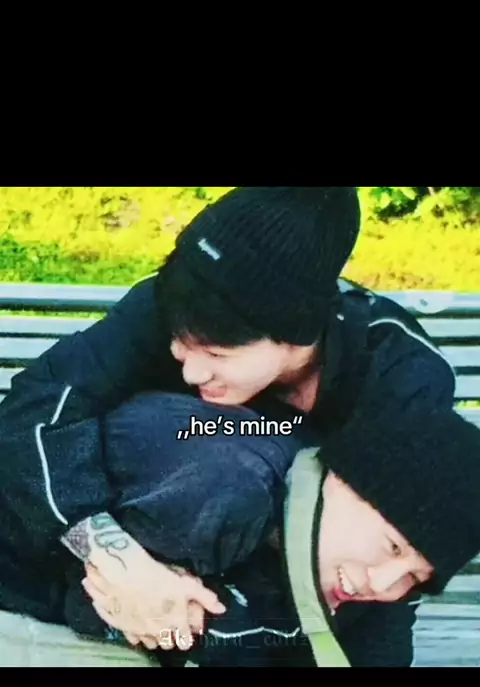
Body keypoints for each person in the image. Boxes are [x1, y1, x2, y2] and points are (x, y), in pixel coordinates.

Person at [0, 187, 457, 645]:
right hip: (89, 551)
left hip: (255, 606)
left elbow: (406, 551)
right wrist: (115, 560)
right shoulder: (178, 301)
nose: (192, 370)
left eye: (217, 353)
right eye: (180, 345)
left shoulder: (398, 380)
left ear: (297, 337)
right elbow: (35, 410)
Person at [1, 392, 478, 667]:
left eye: (416, 576)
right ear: (343, 481)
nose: (382, 582)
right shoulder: (226, 490)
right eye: (392, 546)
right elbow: (99, 606)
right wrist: (180, 610)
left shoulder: (367, 586)